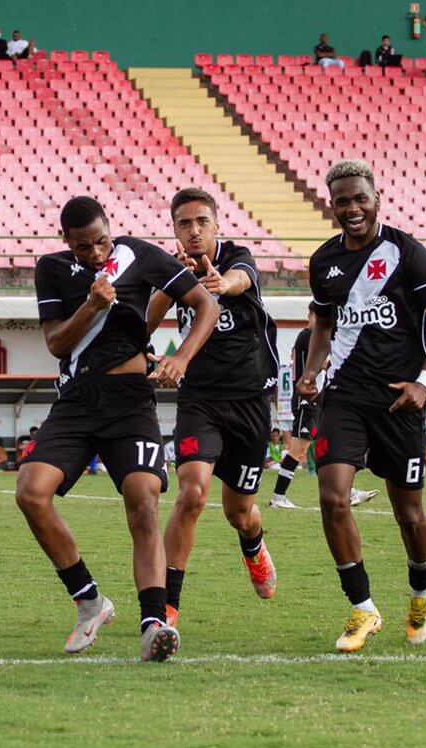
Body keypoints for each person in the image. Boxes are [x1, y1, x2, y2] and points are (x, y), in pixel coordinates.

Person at [15, 195, 218, 662]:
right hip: (76, 401)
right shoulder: (51, 269)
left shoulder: (141, 255)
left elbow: (205, 304)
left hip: (130, 402)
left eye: (102, 240)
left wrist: (181, 358)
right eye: (84, 247)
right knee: (30, 491)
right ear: (66, 242)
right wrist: (90, 305)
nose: (97, 253)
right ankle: (90, 601)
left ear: (112, 228)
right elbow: (55, 344)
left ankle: (153, 625)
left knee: (143, 498)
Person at [298, 160, 426, 653]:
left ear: (376, 197)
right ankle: (362, 608)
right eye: (342, 201)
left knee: (409, 514)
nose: (352, 208)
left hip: (399, 401)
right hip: (344, 396)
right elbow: (323, 324)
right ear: (332, 205)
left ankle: (421, 594)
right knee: (332, 497)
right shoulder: (323, 262)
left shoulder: (407, 252)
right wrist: (312, 367)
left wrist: (423, 383)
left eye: (359, 198)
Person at [145, 187, 281, 629]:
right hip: (199, 399)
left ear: (217, 224)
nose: (195, 230)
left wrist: (222, 283)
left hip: (249, 401)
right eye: (185, 223)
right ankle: (167, 607)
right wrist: (173, 285)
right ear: (175, 230)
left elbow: (242, 278)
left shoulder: (239, 257)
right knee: (191, 493)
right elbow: (147, 319)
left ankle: (254, 546)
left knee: (238, 512)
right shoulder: (171, 268)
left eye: (202, 221)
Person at [271, 309, 380, 511]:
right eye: (319, 317)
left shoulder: (311, 337)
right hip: (307, 400)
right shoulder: (307, 335)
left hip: (315, 400)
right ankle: (278, 497)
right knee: (298, 450)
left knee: (330, 447)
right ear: (310, 316)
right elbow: (321, 364)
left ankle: (347, 490)